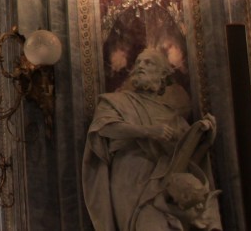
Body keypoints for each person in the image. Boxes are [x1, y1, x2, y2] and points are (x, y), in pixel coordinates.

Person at [83, 48, 222, 230]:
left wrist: (205, 141)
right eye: (138, 62)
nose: (140, 66)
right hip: (131, 178)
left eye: (148, 62)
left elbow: (187, 162)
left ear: (163, 74)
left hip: (165, 188)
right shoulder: (116, 101)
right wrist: (147, 131)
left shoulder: (173, 116)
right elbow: (104, 128)